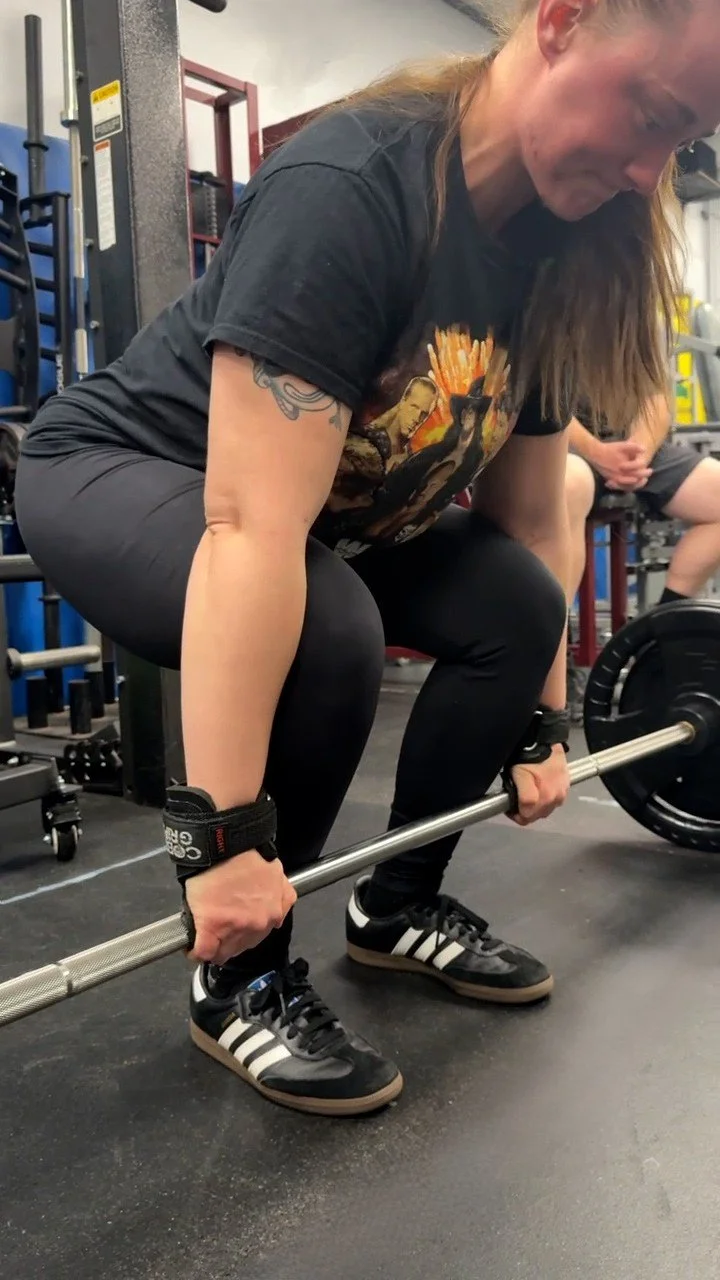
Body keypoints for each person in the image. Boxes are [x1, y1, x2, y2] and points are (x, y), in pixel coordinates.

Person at [14, 0, 720, 1117]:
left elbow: (532, 520)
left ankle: (396, 906)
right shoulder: (357, 187)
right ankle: (237, 975)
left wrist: (540, 724)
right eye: (649, 112)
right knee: (325, 618)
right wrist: (225, 838)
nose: (646, 171)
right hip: (123, 467)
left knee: (518, 603)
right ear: (563, 21)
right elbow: (249, 526)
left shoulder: (555, 247)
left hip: (312, 518)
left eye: (677, 144)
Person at [566, 396, 720, 605]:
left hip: (627, 445)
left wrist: (638, 457)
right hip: (562, 446)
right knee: (568, 488)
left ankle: (666, 623)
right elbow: (540, 405)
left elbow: (656, 397)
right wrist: (597, 453)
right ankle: (556, 630)